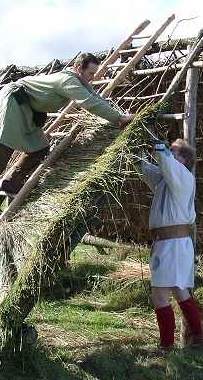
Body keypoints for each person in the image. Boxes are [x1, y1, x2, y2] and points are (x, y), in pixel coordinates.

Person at [0, 52, 133, 196]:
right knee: (6, 143)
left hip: (27, 107)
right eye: (90, 73)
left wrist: (119, 116)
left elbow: (94, 97)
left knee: (40, 148)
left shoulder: (79, 80)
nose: (92, 77)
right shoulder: (67, 80)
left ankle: (10, 182)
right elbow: (89, 103)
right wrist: (118, 118)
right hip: (15, 99)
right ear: (78, 68)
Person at [141, 138, 202, 350]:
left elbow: (165, 162)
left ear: (183, 160)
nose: (168, 154)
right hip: (172, 244)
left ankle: (166, 347)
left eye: (173, 152)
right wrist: (135, 155)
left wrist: (160, 147)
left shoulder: (183, 177)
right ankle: (199, 337)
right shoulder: (166, 180)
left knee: (160, 296)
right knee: (180, 291)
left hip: (172, 245)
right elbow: (149, 170)